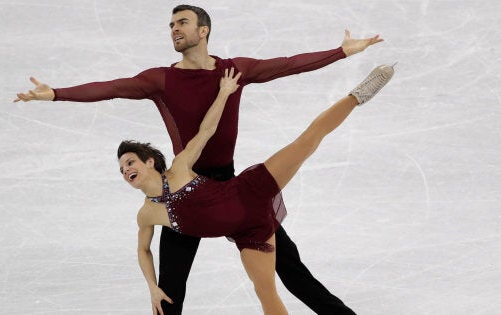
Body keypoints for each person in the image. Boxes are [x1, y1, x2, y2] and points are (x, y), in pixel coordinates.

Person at [15, 5, 383, 314]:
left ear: (203, 30)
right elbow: (111, 88)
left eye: (182, 23)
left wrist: (341, 52)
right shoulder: (160, 80)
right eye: (171, 25)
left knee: (291, 269)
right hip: (182, 186)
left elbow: (286, 65)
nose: (174, 29)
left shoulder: (233, 70)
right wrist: (56, 94)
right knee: (169, 290)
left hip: (232, 188)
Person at [118, 65, 395, 314]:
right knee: (266, 293)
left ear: (150, 161)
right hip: (249, 231)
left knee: (306, 142)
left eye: (130, 162)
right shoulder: (147, 214)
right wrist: (152, 287)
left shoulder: (179, 167)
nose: (126, 170)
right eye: (121, 170)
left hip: (249, 190)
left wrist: (224, 92)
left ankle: (358, 94)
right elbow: (143, 250)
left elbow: (206, 131)